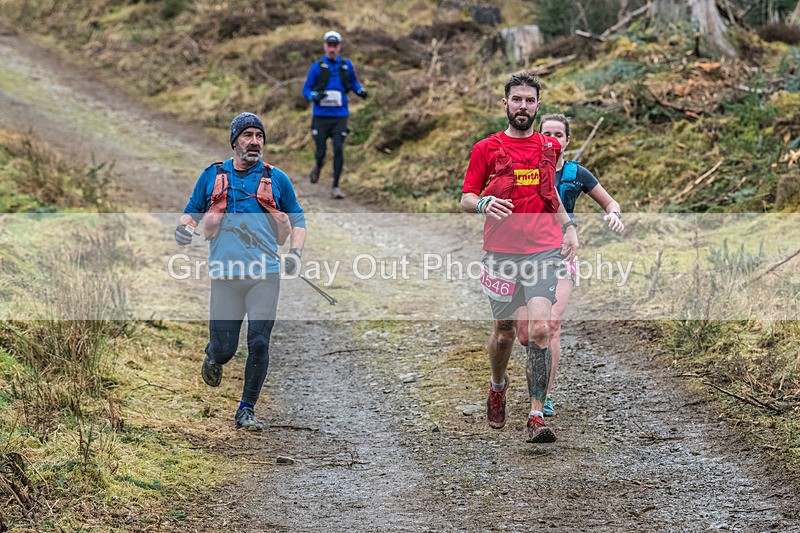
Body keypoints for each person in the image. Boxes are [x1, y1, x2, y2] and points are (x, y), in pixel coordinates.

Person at [460, 73, 579, 443]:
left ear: (537, 106)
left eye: (529, 101)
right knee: (505, 333)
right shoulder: (486, 148)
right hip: (500, 252)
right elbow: (465, 197)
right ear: (505, 104)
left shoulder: (549, 147)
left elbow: (551, 194)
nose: (523, 106)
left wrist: (569, 227)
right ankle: (498, 386)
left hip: (543, 248)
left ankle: (536, 414)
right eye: (517, 100)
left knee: (541, 330)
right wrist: (482, 202)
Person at [174, 112, 307, 431]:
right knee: (224, 349)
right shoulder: (213, 176)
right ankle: (213, 356)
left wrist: (295, 253)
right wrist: (183, 229)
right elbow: (191, 212)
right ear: (235, 142)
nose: (255, 141)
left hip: (265, 275)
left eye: (259, 136)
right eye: (247, 135)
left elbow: (298, 218)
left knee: (259, 342)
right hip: (226, 276)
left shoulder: (277, 178)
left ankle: (246, 409)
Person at [515, 114, 624, 418]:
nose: (552, 139)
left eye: (559, 135)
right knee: (524, 334)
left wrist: (614, 214)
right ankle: (533, 368)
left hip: (563, 254)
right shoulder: (526, 169)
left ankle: (544, 396)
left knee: (551, 325)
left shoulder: (577, 173)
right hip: (523, 256)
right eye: (546, 133)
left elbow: (610, 202)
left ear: (567, 141)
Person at [302, 30, 368, 199]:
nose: (332, 49)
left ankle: (336, 186)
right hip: (321, 116)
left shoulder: (346, 65)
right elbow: (306, 90)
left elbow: (353, 82)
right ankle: (318, 166)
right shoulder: (317, 67)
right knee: (321, 151)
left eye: (335, 46)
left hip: (340, 116)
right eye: (329, 45)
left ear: (339, 47)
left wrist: (360, 91)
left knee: (338, 148)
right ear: (324, 46)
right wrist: (314, 96)